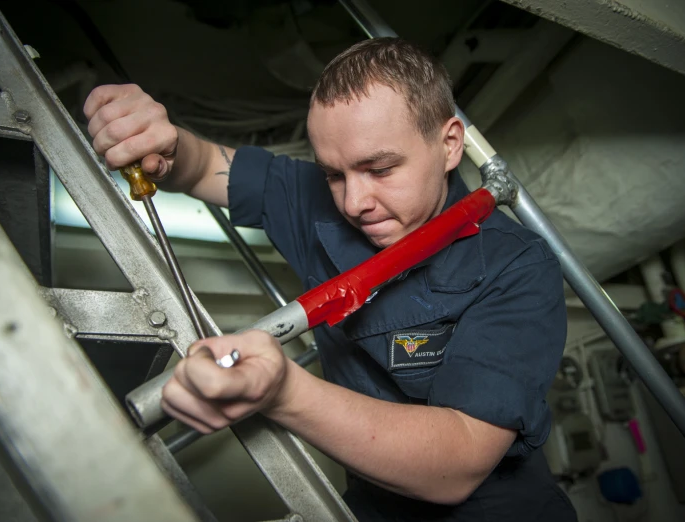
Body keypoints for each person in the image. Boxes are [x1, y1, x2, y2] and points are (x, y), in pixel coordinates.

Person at [85, 38, 576, 521]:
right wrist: (162, 142)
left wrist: (284, 393)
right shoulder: (317, 201)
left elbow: (459, 461)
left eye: (380, 168)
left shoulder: (518, 266)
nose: (352, 202)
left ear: (449, 144)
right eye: (334, 175)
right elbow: (203, 166)